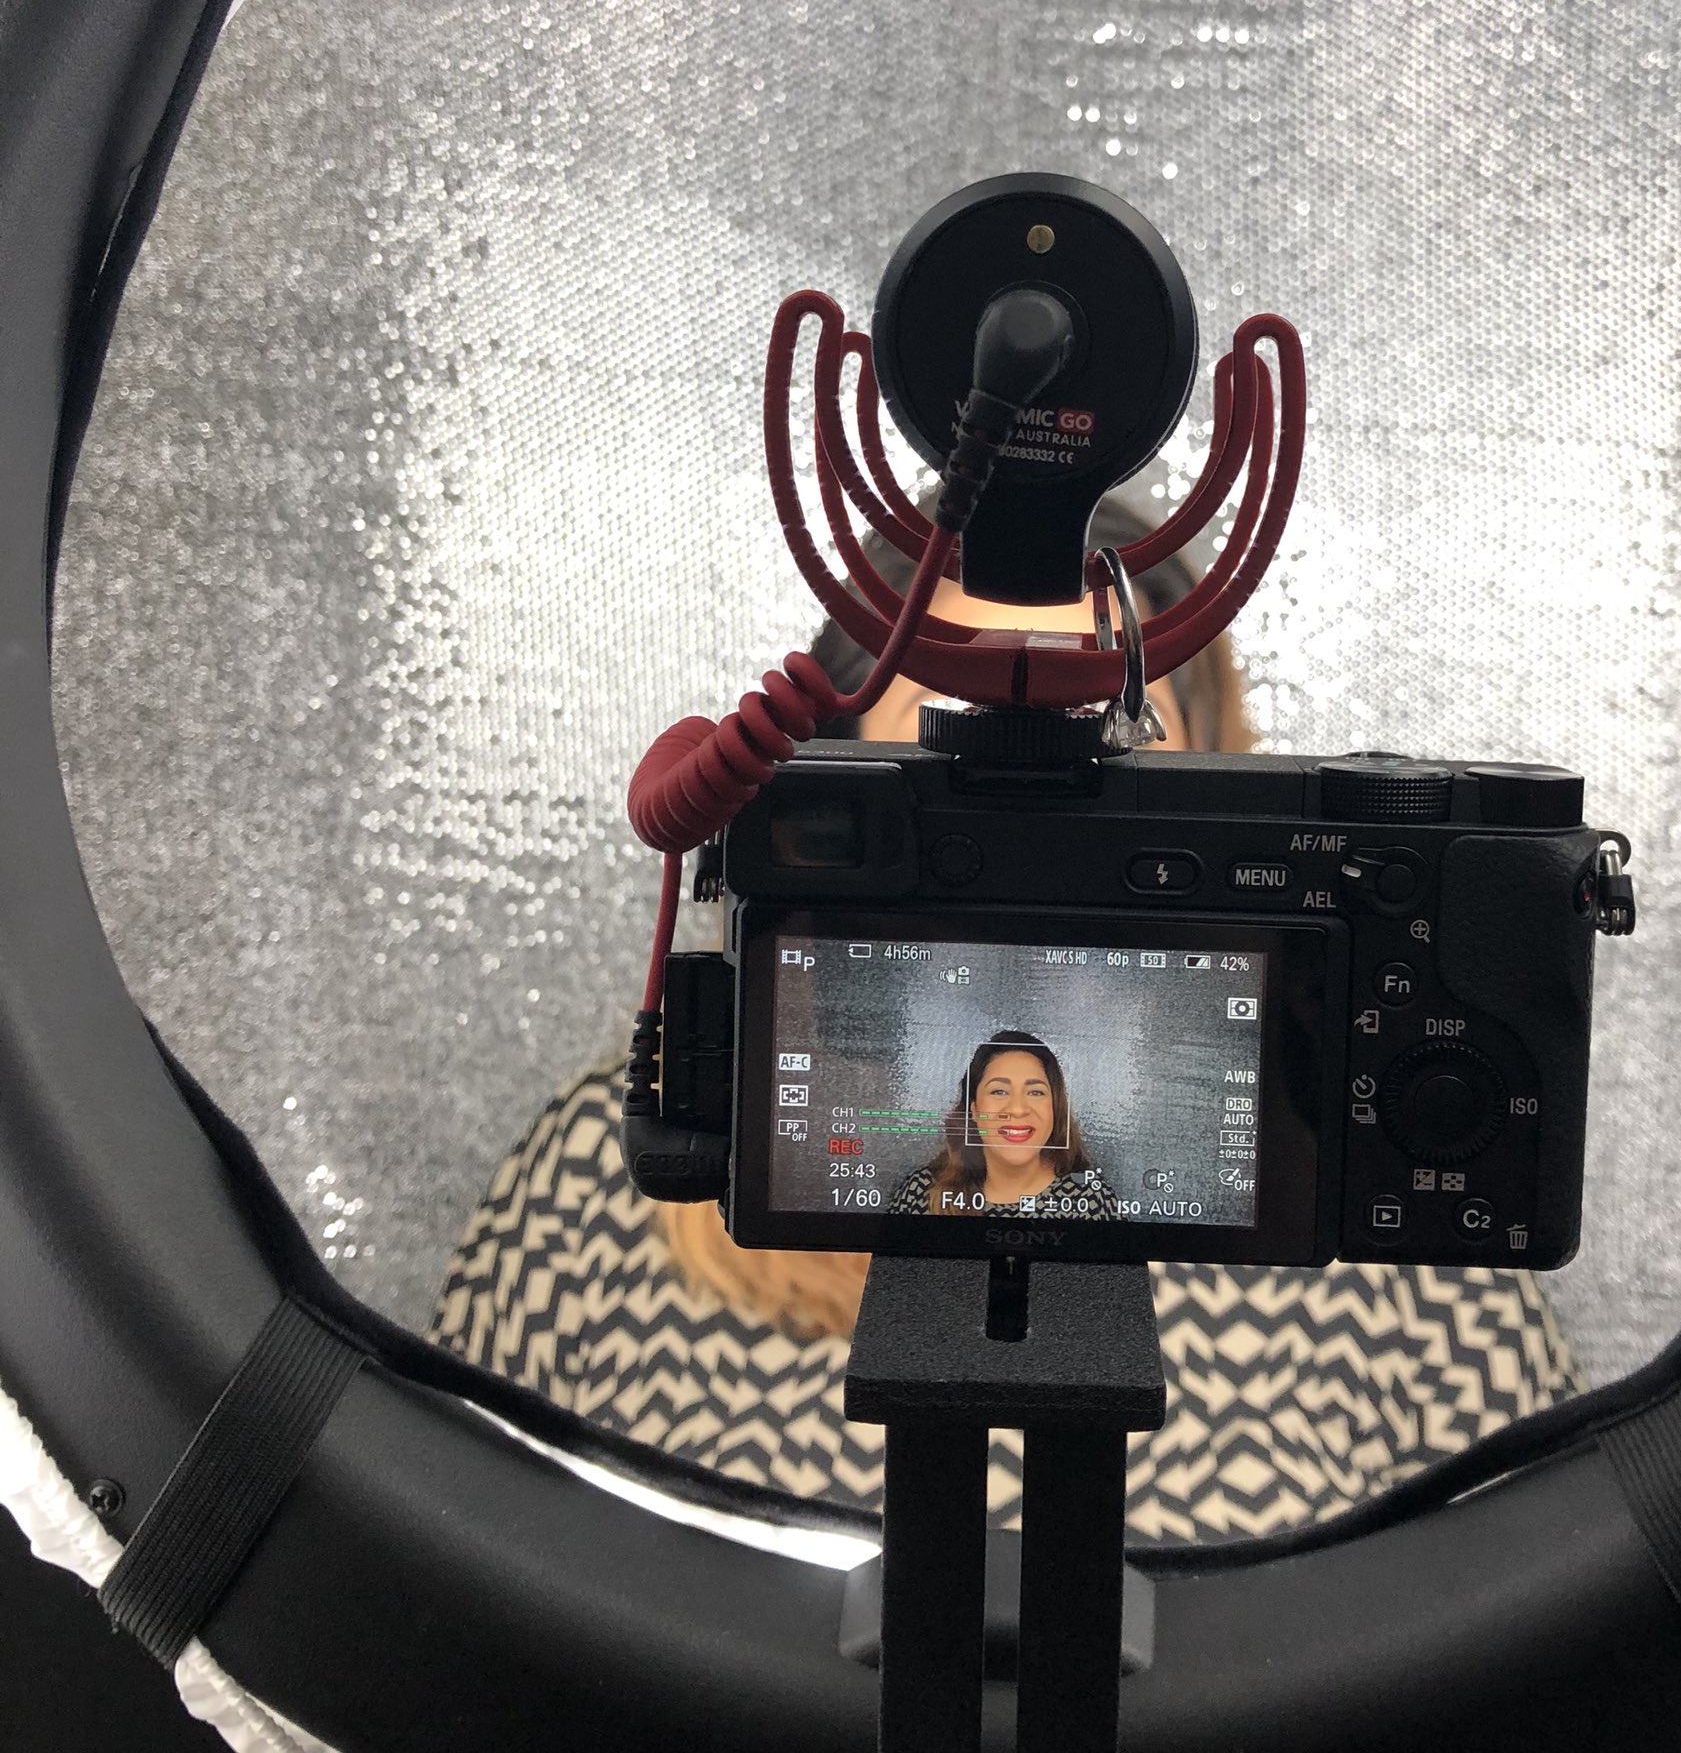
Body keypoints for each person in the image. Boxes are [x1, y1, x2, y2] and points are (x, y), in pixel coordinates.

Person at [433, 494, 1579, 1540]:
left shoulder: (1400, 1242)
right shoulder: (603, 1183)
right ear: (828, 779)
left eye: (1110, 737)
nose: (1036, 814)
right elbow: (456, 1575)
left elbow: (1530, 1609)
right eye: (957, 724)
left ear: (1225, 789)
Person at [887, 1031, 1118, 1218]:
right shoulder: (922, 1193)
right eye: (999, 1091)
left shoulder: (1091, 1199)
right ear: (973, 1109)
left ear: (1055, 1109)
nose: (1017, 1109)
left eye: (1035, 1092)